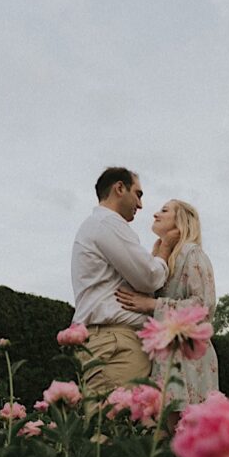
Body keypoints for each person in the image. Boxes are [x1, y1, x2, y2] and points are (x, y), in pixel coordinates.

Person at [70, 167, 179, 395]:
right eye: (138, 194)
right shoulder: (108, 223)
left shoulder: (97, 225)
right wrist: (164, 252)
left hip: (108, 340)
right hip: (116, 343)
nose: (140, 205)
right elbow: (149, 277)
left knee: (113, 422)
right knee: (115, 421)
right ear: (120, 188)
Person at [116, 199, 220, 407]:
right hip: (167, 354)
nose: (155, 214)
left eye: (164, 210)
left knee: (184, 425)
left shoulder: (192, 253)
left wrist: (152, 305)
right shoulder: (165, 256)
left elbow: (204, 307)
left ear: (181, 221)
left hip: (189, 356)